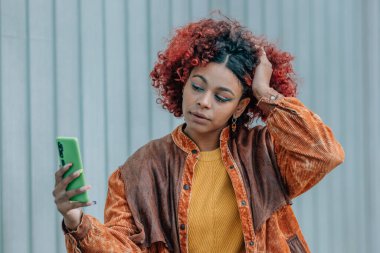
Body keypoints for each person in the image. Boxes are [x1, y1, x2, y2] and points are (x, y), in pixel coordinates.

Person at [53, 17, 345, 253]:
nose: (204, 101)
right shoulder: (139, 170)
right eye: (197, 86)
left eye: (221, 96)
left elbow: (324, 154)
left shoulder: (266, 153)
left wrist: (265, 95)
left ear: (240, 106)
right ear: (182, 83)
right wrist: (77, 221)